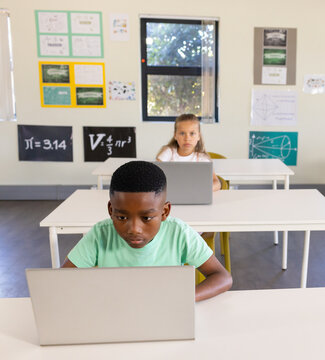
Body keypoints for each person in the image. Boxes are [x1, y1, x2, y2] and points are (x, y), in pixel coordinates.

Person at [62, 161, 232, 302]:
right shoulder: (101, 234)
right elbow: (61, 281)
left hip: (166, 314)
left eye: (147, 218)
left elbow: (222, 277)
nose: (134, 229)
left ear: (164, 212)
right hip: (116, 313)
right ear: (110, 210)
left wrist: (183, 298)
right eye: (121, 217)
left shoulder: (178, 233)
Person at [156, 113, 220, 191]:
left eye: (192, 133)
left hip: (195, 196)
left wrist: (202, 190)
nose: (187, 138)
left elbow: (217, 183)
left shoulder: (202, 158)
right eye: (182, 133)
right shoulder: (168, 152)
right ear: (175, 135)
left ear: (198, 136)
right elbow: (155, 176)